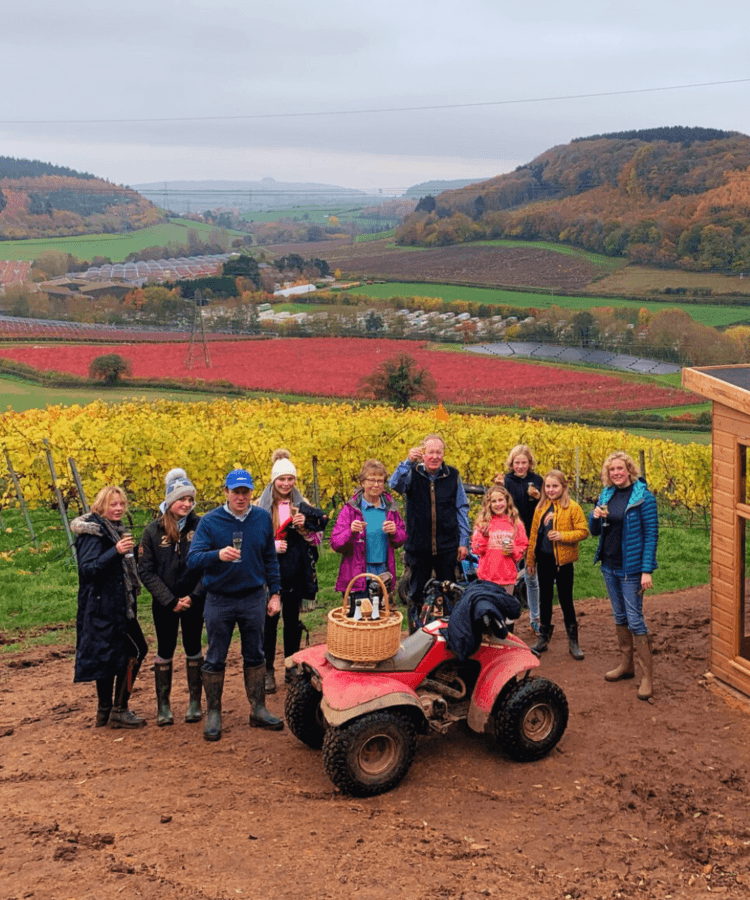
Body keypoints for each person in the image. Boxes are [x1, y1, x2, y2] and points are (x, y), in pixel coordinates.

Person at [187, 468, 283, 741]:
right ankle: (214, 712)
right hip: (219, 598)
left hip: (253, 596)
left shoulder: (262, 519)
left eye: (245, 491)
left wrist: (275, 593)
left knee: (256, 654)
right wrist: (217, 554)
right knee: (216, 656)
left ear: (252, 492)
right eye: (235, 491)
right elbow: (193, 559)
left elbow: (270, 559)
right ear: (226, 492)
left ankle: (258, 709)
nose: (241, 497)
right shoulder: (210, 522)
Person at [72, 486, 148, 729]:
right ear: (101, 505)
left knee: (107, 654)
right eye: (113, 504)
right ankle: (119, 709)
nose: (118, 509)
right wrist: (116, 552)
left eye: (121, 505)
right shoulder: (93, 533)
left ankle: (105, 711)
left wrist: (133, 554)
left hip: (113, 605)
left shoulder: (113, 530)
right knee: (137, 650)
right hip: (104, 607)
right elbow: (88, 570)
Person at [138, 468, 205, 726]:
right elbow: (146, 570)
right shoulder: (152, 531)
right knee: (165, 648)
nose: (187, 504)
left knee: (193, 646)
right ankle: (163, 706)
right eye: (181, 499)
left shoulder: (201, 527)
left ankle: (195, 703)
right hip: (165, 603)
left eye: (190, 499)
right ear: (169, 501)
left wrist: (194, 595)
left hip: (193, 600)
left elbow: (207, 565)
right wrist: (169, 599)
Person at [255, 449, 326, 694]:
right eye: (281, 479)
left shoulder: (301, 504)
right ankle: (267, 671)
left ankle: (291, 666)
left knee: (292, 622)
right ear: (274, 480)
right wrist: (271, 546)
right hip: (269, 574)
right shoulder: (261, 507)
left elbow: (318, 534)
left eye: (290, 479)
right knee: (269, 622)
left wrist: (306, 529)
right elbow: (253, 539)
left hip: (294, 572)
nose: (286, 483)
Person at [590, 451, 658, 700]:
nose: (616, 473)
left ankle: (647, 677)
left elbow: (651, 536)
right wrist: (594, 516)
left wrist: (646, 569)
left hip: (631, 569)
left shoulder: (644, 499)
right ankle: (626, 665)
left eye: (620, 469)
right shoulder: (606, 495)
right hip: (609, 565)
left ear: (629, 470)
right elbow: (595, 531)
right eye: (612, 470)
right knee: (619, 616)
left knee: (635, 619)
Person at [389, 434, 471, 632]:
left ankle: (445, 634)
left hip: (447, 546)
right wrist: (407, 462)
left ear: (443, 454)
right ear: (423, 454)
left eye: (438, 452)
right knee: (416, 593)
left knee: (447, 591)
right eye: (430, 452)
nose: (434, 456)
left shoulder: (452, 475)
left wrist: (463, 540)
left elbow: (461, 507)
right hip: (418, 546)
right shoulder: (411, 473)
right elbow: (394, 484)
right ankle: (416, 636)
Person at [526, 470, 588, 660]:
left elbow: (583, 531)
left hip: (563, 562)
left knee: (565, 600)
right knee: (545, 598)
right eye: (548, 486)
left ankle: (573, 641)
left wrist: (562, 536)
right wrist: (530, 559)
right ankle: (543, 638)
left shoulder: (572, 507)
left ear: (563, 487)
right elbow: (534, 535)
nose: (551, 490)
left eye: (555, 486)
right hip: (544, 559)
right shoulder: (541, 507)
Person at [330, 459, 406, 612]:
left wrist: (395, 532)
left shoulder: (390, 509)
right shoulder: (351, 509)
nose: (376, 485)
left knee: (381, 617)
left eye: (380, 481)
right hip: (357, 572)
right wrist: (350, 531)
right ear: (362, 483)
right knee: (359, 618)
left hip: (384, 571)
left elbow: (401, 539)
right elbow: (336, 543)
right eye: (371, 480)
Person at [503, 444, 544, 633]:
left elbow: (546, 504)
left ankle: (535, 619)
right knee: (507, 578)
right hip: (510, 535)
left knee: (531, 578)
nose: (520, 466)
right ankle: (506, 621)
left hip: (532, 536)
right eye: (517, 462)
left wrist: (539, 497)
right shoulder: (506, 481)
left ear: (530, 463)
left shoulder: (537, 481)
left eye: (524, 463)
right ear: (512, 464)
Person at [471, 481, 529, 595]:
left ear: (507, 501)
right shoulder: (483, 523)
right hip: (487, 577)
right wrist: (484, 536)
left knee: (505, 608)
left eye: (501, 500)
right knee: (488, 608)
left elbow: (523, 547)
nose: (498, 504)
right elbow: (476, 549)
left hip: (507, 577)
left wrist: (514, 549)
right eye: (494, 501)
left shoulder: (515, 523)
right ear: (489, 504)